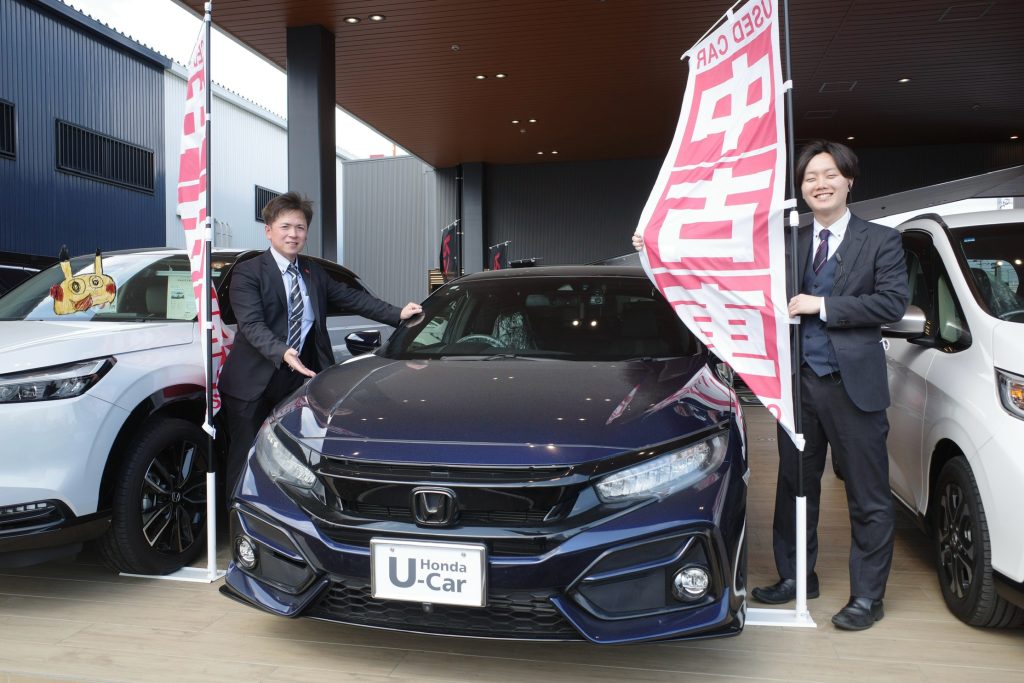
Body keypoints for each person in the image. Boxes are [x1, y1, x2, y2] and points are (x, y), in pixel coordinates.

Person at [632, 140, 908, 631]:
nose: (819, 184)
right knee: (795, 486)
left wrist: (823, 306)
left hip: (854, 388)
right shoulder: (787, 240)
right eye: (810, 178)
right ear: (801, 188)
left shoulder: (882, 240)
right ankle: (797, 576)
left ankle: (868, 596)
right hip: (795, 385)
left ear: (849, 181)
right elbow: (726, 267)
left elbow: (891, 303)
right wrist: (659, 245)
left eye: (829, 175)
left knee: (868, 494)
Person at [219, 191, 422, 492]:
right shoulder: (248, 272)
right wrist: (283, 352)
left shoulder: (312, 271)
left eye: (300, 228)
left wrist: (397, 313)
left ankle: (282, 511)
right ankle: (238, 513)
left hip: (295, 381)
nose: (293, 234)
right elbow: (251, 325)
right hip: (251, 383)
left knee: (291, 457)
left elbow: (352, 298)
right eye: (285, 226)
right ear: (269, 231)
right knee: (246, 459)